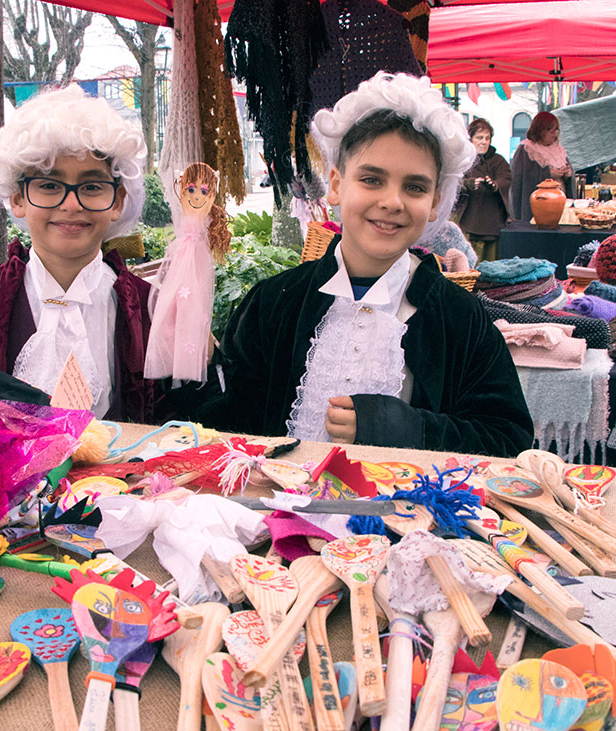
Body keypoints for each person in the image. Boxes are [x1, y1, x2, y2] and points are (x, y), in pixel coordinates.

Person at [190, 72, 533, 457]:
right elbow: (227, 420)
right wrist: (195, 370)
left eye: (415, 187)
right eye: (372, 179)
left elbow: (507, 437)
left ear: (435, 201)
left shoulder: (459, 317)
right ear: (336, 184)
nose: (392, 202)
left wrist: (406, 427)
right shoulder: (274, 302)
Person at [0, 84, 160, 423]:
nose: (71, 204)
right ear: (17, 198)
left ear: (117, 201)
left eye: (92, 187)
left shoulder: (149, 308)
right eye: (49, 185)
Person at [454, 118, 512, 262]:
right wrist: (467, 184)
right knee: (466, 264)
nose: (484, 142)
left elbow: (505, 178)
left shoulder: (498, 161)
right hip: (467, 221)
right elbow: (451, 181)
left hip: (491, 221)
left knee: (490, 265)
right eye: (479, 138)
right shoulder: (462, 160)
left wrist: (494, 185)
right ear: (471, 139)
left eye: (487, 138)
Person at [508, 111, 574, 222]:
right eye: (549, 130)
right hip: (537, 207)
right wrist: (548, 174)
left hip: (561, 204)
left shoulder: (559, 150)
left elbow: (569, 175)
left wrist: (568, 175)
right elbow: (518, 180)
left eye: (556, 130)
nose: (554, 134)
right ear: (539, 130)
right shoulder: (526, 149)